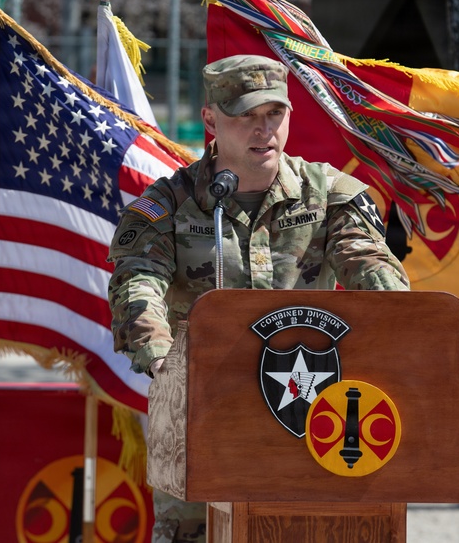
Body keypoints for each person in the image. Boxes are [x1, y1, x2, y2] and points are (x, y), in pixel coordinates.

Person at [107, 54, 410, 543]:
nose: (262, 129)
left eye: (274, 114)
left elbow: (367, 262)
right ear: (210, 119)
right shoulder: (167, 206)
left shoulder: (330, 194)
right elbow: (137, 282)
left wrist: (404, 322)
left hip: (309, 418)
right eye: (244, 115)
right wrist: (165, 365)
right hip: (201, 418)